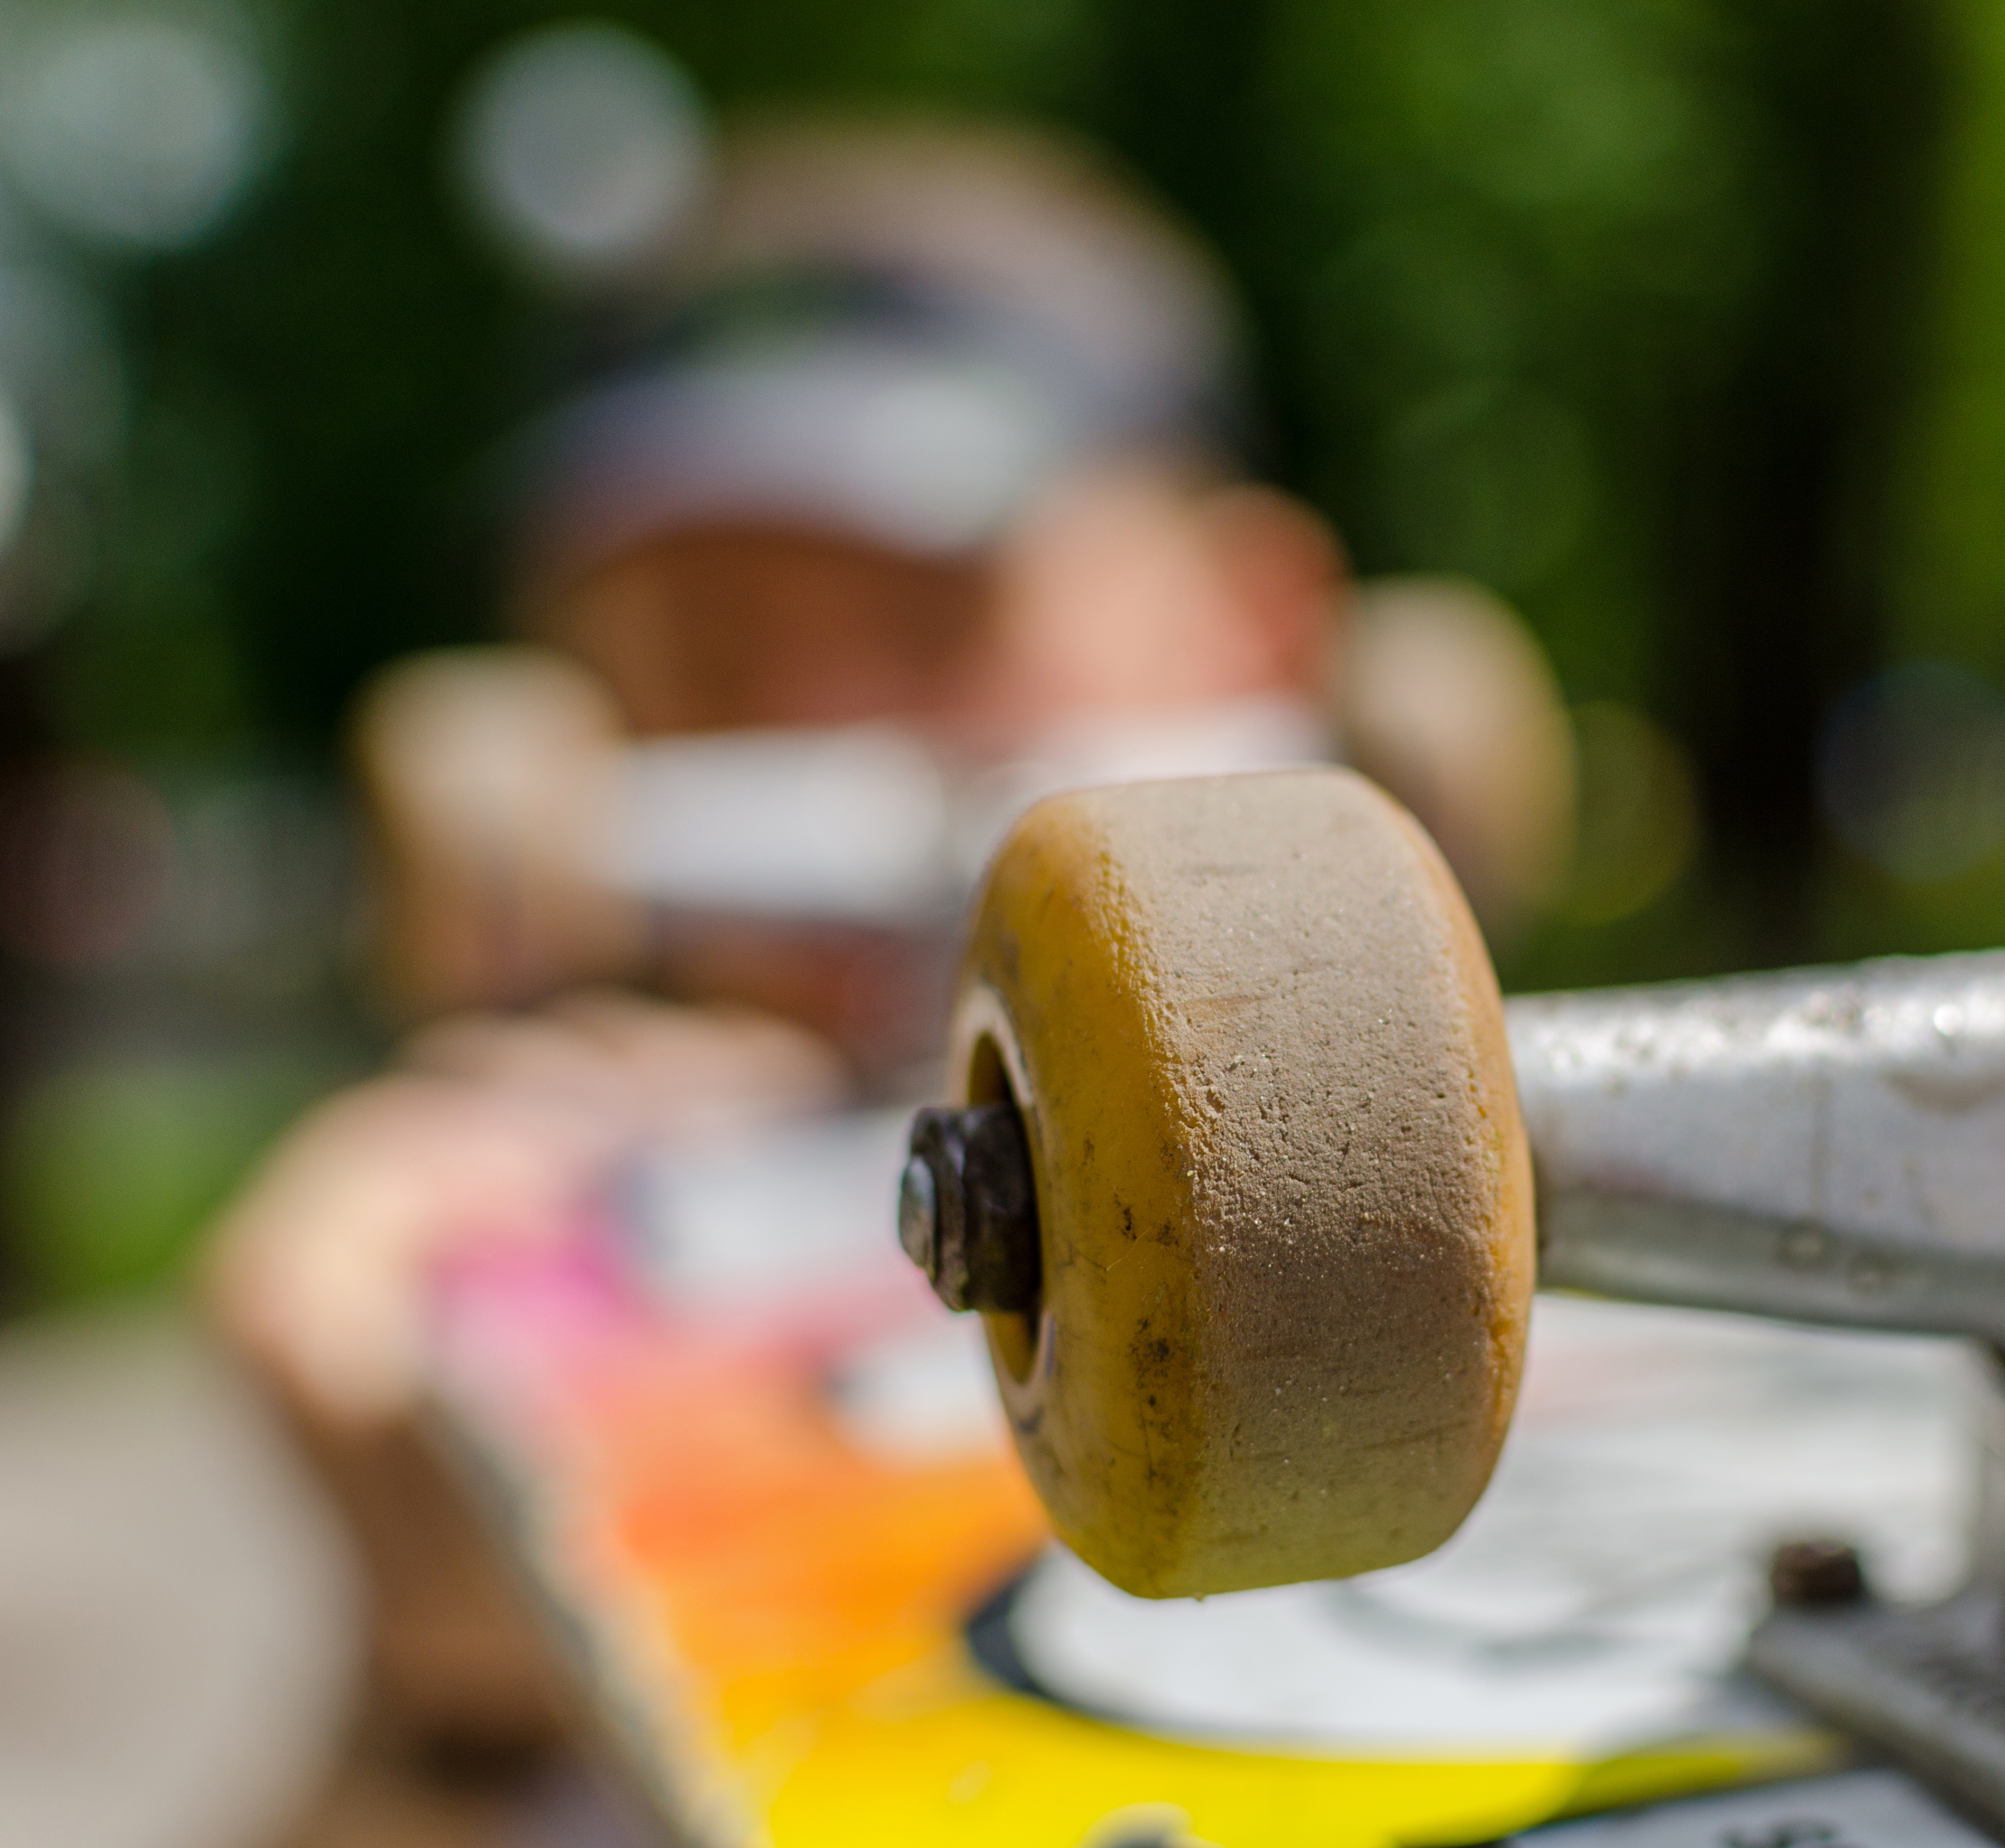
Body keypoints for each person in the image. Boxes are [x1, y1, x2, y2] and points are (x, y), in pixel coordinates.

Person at [204, 116, 1570, 1773]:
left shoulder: (1576, 1193)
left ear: (1264, 623)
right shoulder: (559, 1224)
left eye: (939, 622)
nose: (815, 733)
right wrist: (449, 1691)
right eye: (707, 659)